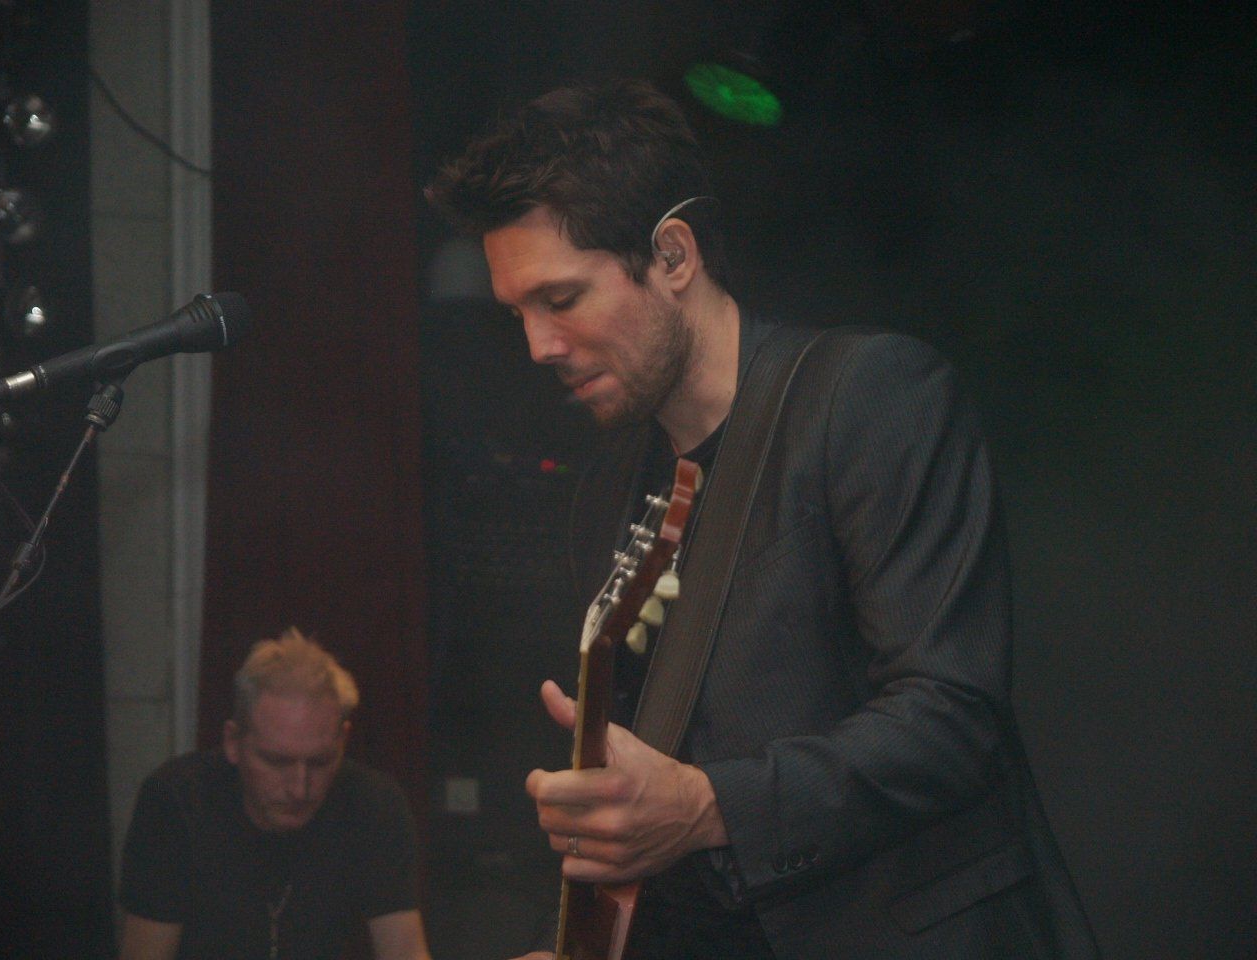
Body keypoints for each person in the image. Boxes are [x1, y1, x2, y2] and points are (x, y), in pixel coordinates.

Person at [426, 79, 1100, 959]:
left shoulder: (867, 399)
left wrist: (710, 806)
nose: (538, 346)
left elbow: (951, 717)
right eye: (518, 312)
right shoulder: (609, 491)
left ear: (673, 255)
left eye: (562, 299)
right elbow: (642, 801)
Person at [117, 627, 431, 960]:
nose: (299, 787)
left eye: (320, 762)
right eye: (277, 762)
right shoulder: (178, 802)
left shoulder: (373, 805)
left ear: (342, 742)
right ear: (233, 742)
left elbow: (404, 950)